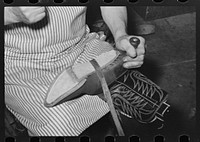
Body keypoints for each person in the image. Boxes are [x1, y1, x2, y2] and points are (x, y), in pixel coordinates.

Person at [4, 6, 145, 136]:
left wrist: (120, 34)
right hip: (21, 63)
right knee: (60, 126)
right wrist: (10, 13)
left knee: (140, 95)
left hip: (80, 44)